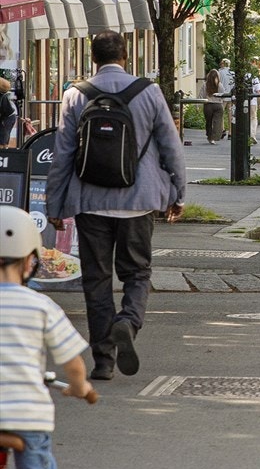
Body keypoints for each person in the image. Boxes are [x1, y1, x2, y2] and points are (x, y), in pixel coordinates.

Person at [47, 31, 186, 381]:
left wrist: (55, 205)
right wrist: (178, 194)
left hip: (90, 201)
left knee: (96, 281)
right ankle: (128, 321)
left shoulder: (75, 95)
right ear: (126, 56)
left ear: (93, 58)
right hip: (138, 202)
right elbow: (171, 146)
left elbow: (63, 154)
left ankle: (104, 360)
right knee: (137, 273)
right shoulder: (148, 93)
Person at [0, 208, 94, 469]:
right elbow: (72, 363)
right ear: (31, 261)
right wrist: (80, 386)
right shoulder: (41, 306)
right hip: (28, 420)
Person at [203, 68, 224, 144]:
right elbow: (223, 95)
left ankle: (209, 136)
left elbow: (201, 95)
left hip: (208, 105)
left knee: (209, 121)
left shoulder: (205, 85)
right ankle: (215, 137)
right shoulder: (220, 85)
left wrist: (197, 106)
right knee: (217, 122)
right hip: (218, 105)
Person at [215, 57, 235, 137]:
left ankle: (222, 129)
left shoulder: (219, 72)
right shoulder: (232, 73)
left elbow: (217, 83)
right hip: (231, 95)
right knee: (230, 113)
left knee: (221, 113)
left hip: (222, 95)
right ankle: (230, 132)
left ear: (223, 64)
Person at [0, 75, 15, 147]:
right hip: (9, 116)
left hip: (7, 118)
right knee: (4, 139)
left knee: (2, 140)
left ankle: (4, 154)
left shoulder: (2, 96)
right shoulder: (4, 94)